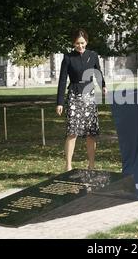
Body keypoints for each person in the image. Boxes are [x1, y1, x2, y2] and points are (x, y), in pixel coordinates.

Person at [56, 29, 107, 171]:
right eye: (77, 43)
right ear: (73, 43)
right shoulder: (68, 58)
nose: (80, 46)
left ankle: (91, 165)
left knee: (91, 133)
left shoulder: (93, 55)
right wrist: (59, 102)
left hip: (90, 96)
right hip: (74, 95)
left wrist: (103, 86)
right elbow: (62, 80)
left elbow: (98, 73)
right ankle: (68, 166)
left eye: (82, 43)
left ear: (87, 42)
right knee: (72, 132)